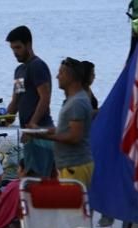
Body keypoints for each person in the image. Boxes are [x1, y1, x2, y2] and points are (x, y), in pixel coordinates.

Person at [34, 58, 95, 189]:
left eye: (61, 73)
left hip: (75, 166)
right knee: (70, 207)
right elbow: (65, 130)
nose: (57, 77)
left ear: (70, 76)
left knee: (73, 208)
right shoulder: (73, 100)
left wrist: (44, 137)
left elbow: (74, 137)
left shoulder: (77, 102)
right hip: (69, 166)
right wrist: (40, 130)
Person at [5, 26, 53, 133]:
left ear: (28, 44)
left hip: (40, 130)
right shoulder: (19, 71)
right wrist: (3, 119)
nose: (15, 52)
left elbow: (45, 98)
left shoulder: (37, 66)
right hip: (27, 130)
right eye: (12, 48)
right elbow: (16, 100)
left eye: (18, 47)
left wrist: (32, 124)